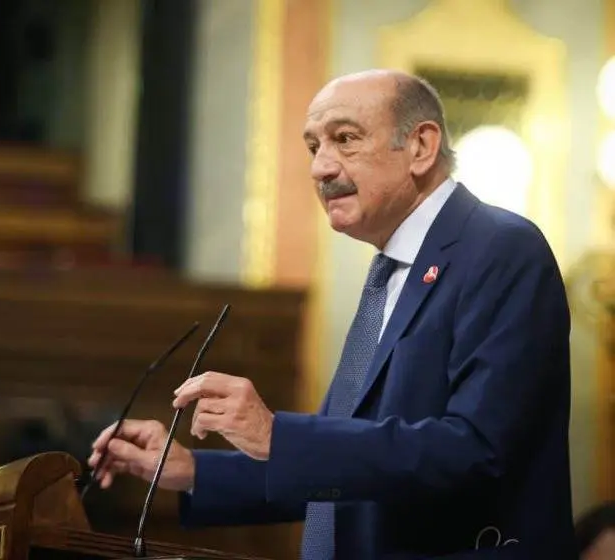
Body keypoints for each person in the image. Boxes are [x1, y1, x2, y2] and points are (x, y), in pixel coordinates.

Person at [88, 69, 576, 559]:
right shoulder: (389, 273)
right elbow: (338, 467)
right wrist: (192, 471)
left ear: (421, 147)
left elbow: (476, 450)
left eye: (345, 139)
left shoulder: (500, 249)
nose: (321, 168)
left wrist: (277, 436)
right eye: (313, 147)